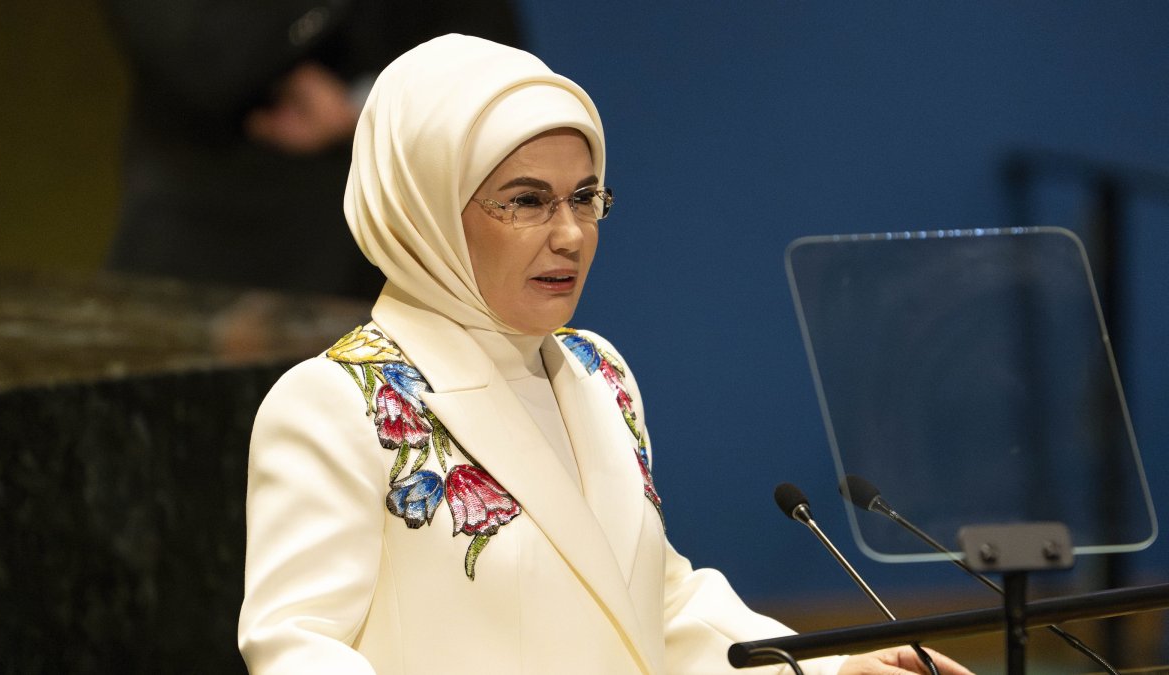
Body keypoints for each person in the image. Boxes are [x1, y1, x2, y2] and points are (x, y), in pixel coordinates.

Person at [237, 34, 975, 674]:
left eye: (585, 197)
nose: (570, 234)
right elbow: (296, 649)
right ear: (423, 207)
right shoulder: (338, 400)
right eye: (527, 200)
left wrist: (828, 665)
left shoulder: (597, 369)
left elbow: (653, 600)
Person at [102, 0, 522, 297]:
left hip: (390, 260)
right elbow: (204, 52)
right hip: (210, 247)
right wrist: (286, 76)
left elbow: (490, 68)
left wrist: (366, 105)